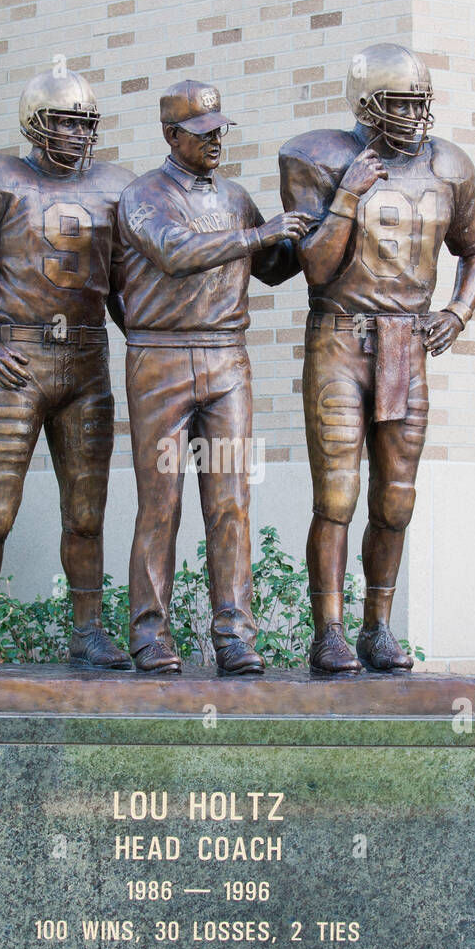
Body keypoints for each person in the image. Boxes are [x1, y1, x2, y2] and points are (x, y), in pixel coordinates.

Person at [279, 43, 475, 675]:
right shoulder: (318, 156)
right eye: (396, 103)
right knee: (337, 494)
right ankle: (330, 630)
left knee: (397, 497)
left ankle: (378, 625)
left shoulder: (449, 165)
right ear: (366, 106)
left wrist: (456, 311)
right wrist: (348, 196)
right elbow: (313, 264)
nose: (411, 115)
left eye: (417, 102)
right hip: (340, 336)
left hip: (405, 342)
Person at [117, 80, 311, 674]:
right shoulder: (143, 196)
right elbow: (176, 252)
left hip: (227, 361)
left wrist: (321, 217)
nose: (215, 142)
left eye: (220, 130)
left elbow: (273, 268)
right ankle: (151, 633)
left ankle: (234, 635)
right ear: (171, 135)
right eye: (202, 134)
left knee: (230, 500)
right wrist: (261, 233)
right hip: (162, 361)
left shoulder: (234, 196)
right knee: (161, 502)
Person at [0, 70, 133, 669]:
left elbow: (124, 293)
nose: (78, 134)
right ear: (35, 124)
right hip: (18, 361)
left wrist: (154, 349)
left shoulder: (114, 187)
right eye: (66, 121)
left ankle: (88, 629)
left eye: (86, 123)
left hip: (86, 363)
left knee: (86, 513)